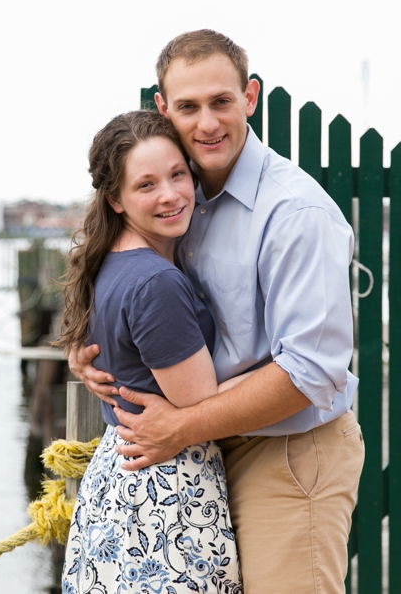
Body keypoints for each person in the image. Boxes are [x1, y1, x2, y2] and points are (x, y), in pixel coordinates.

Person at [70, 30, 365, 594]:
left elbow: (311, 372)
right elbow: (109, 274)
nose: (207, 123)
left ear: (250, 98)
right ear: (163, 109)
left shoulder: (296, 212)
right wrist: (84, 352)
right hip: (200, 452)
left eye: (221, 102)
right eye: (188, 107)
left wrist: (179, 427)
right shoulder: (177, 194)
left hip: (286, 449)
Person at [55, 110, 246, 594]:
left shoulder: (111, 263)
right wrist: (294, 372)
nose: (170, 194)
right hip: (165, 496)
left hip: (118, 484)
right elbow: (200, 402)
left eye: (178, 174)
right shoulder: (156, 281)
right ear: (115, 199)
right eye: (146, 185)